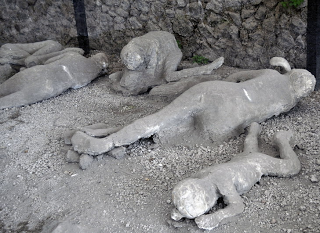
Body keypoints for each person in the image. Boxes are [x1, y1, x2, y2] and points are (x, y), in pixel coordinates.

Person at [69, 57, 315, 155]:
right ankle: (115, 139)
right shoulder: (289, 102)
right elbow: (263, 114)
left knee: (163, 117)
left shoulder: (273, 75)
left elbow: (236, 78)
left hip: (217, 92)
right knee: (171, 127)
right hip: (229, 120)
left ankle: (107, 140)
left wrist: (222, 84)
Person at [171, 122, 301, 230]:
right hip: (242, 161)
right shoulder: (202, 175)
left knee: (292, 167)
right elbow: (189, 183)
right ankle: (254, 128)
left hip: (256, 163)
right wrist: (181, 211)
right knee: (250, 148)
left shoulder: (223, 185)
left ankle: (281, 139)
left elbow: (238, 206)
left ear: (209, 200)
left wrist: (216, 217)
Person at [0, 51, 108, 109]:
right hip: (49, 86)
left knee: (3, 88)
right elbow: (76, 85)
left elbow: (49, 61)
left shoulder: (73, 54)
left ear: (93, 56)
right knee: (6, 102)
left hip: (38, 71)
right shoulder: (90, 75)